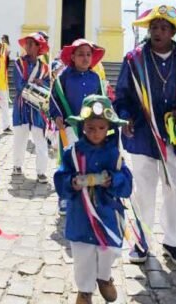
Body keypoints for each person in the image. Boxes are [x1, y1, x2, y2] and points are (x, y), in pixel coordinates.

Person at [114, 4, 176, 267]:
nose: (158, 31)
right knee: (144, 191)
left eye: (164, 27)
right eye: (154, 27)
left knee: (175, 189)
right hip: (142, 135)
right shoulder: (134, 58)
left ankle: (173, 242)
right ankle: (141, 241)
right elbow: (122, 94)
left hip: (174, 137)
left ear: (173, 31)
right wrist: (126, 116)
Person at [54, 95, 132, 304]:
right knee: (82, 254)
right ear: (82, 127)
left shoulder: (115, 154)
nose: (95, 133)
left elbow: (127, 183)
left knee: (110, 250)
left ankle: (104, 278)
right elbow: (60, 178)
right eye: (90, 127)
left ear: (108, 128)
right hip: (80, 215)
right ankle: (85, 290)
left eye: (100, 128)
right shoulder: (72, 153)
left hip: (107, 213)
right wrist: (72, 182)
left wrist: (112, 180)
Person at [49, 39, 106, 214]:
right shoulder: (63, 77)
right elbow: (54, 98)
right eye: (80, 54)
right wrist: (57, 115)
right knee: (69, 161)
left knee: (89, 161)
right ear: (72, 57)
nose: (85, 58)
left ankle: (88, 193)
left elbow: (102, 102)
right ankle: (65, 197)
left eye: (88, 54)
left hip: (90, 129)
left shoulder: (95, 78)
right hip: (69, 127)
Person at [12, 32, 51, 183]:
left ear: (38, 47)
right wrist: (35, 85)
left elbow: (49, 86)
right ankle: (17, 165)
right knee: (19, 139)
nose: (27, 46)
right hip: (22, 107)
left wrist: (42, 84)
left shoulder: (45, 68)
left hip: (37, 110)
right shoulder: (18, 63)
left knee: (40, 140)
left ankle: (41, 172)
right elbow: (19, 84)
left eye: (31, 43)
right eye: (27, 42)